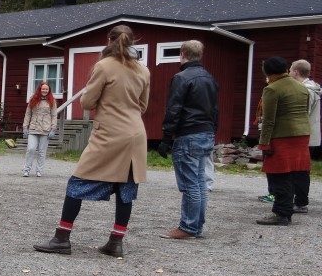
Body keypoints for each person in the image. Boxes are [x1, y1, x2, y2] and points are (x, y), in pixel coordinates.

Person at [34, 25, 150, 258]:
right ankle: (116, 242)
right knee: (125, 191)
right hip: (135, 135)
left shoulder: (104, 66)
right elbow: (143, 106)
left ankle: (62, 238)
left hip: (109, 134)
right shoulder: (143, 70)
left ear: (109, 40)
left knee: (76, 184)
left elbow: (87, 102)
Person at [157, 40, 219, 240]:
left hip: (188, 134)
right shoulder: (209, 78)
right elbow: (215, 108)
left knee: (191, 183)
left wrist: (166, 137)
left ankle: (188, 226)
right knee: (200, 182)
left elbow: (174, 109)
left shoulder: (182, 78)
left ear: (182, 53)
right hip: (206, 132)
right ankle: (196, 225)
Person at [255, 56, 311, 225]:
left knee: (279, 175)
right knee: (295, 173)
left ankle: (282, 213)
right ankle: (289, 207)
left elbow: (269, 120)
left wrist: (264, 142)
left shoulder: (272, 89)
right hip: (302, 134)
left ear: (268, 72)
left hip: (282, 137)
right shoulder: (302, 88)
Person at [289, 60, 321, 211]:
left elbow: (302, 114)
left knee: (301, 169)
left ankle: (301, 202)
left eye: (290, 70)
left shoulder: (306, 91)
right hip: (305, 135)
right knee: (299, 169)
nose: (289, 72)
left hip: (303, 135)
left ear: (296, 72)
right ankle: (297, 199)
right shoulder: (309, 89)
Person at [22, 81, 57, 177]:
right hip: (33, 128)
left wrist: (53, 129)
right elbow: (28, 113)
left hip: (46, 129)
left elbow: (54, 115)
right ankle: (26, 169)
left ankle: (39, 170)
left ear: (49, 90)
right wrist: (25, 127)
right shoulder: (33, 99)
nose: (44, 90)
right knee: (31, 149)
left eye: (46, 89)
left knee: (42, 151)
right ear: (40, 89)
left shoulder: (52, 101)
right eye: (43, 89)